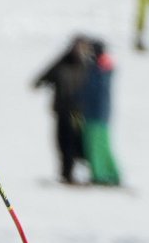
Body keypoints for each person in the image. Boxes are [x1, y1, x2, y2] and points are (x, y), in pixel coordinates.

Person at [32, 36, 94, 184]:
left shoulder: (87, 66)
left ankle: (85, 172)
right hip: (61, 110)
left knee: (78, 142)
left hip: (77, 112)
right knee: (62, 142)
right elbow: (42, 78)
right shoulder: (62, 63)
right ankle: (66, 174)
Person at [82, 39, 121, 186]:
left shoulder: (100, 69)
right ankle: (105, 173)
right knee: (97, 145)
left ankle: (103, 174)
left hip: (97, 113)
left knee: (98, 145)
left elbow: (92, 90)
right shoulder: (100, 67)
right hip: (95, 113)